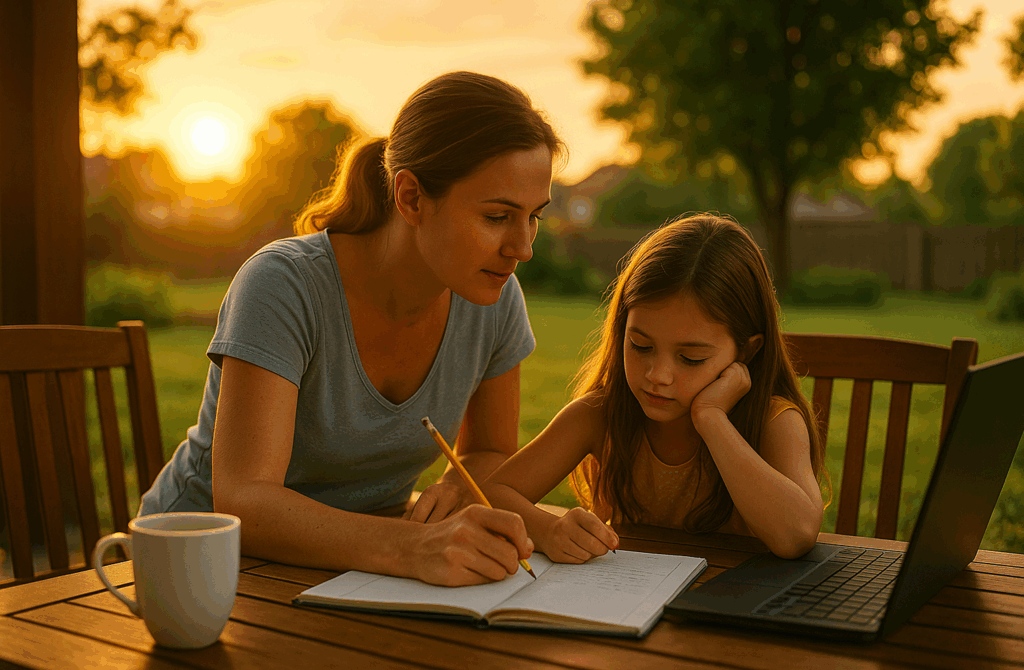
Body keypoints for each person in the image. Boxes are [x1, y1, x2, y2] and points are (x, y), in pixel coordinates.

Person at [138, 71, 566, 586]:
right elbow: (244, 502)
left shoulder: (493, 298)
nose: (523, 248)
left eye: (533, 217)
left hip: (354, 572)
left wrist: (459, 484)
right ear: (410, 197)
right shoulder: (283, 285)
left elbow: (492, 450)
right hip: (200, 571)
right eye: (498, 216)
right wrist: (413, 546)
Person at [483, 214, 830, 562]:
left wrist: (711, 419)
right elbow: (490, 494)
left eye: (691, 358)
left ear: (747, 351)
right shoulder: (599, 414)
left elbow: (796, 536)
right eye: (641, 346)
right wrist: (547, 529)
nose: (658, 375)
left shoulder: (773, 421)